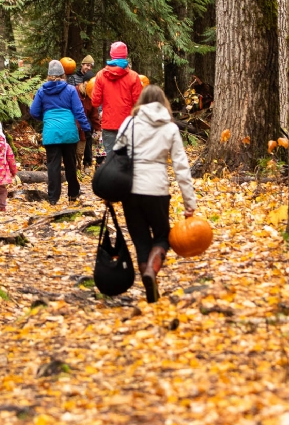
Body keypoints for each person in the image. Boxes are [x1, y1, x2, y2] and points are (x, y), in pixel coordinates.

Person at [113, 85, 197, 304]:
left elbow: (115, 156)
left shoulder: (129, 123)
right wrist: (189, 202)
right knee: (162, 236)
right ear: (163, 102)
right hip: (157, 189)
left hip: (130, 189)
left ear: (141, 101)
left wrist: (110, 188)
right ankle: (152, 271)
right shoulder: (170, 128)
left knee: (141, 240)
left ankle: (148, 278)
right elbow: (181, 167)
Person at [29, 59, 91, 204]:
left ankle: (53, 198)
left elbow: (34, 111)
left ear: (48, 75)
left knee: (53, 166)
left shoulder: (42, 90)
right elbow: (79, 111)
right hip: (69, 132)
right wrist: (86, 128)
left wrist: (46, 118)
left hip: (51, 132)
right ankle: (73, 194)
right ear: (63, 74)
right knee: (71, 164)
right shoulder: (70, 90)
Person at [91, 41, 143, 156]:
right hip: (128, 124)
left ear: (111, 54)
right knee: (128, 159)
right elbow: (139, 103)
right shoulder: (134, 76)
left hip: (108, 124)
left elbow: (95, 102)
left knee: (112, 160)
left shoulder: (100, 75)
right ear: (125, 55)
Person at [68, 55, 98, 168]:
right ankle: (74, 163)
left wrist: (98, 127)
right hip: (74, 117)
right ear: (82, 65)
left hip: (86, 117)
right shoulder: (74, 82)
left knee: (88, 132)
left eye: (90, 66)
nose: (88, 67)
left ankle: (86, 161)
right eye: (87, 65)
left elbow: (94, 109)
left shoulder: (92, 91)